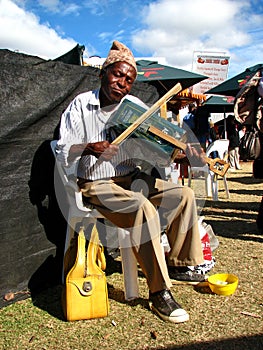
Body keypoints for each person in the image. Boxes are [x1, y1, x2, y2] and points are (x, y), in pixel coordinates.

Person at [55, 40, 206, 324]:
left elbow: (156, 149)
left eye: (129, 79)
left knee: (182, 195)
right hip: (96, 183)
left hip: (130, 177)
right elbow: (63, 149)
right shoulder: (82, 105)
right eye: (117, 74)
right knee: (142, 207)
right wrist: (89, 147)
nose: (122, 82)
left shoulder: (133, 106)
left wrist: (180, 153)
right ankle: (159, 292)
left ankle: (180, 264)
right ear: (103, 73)